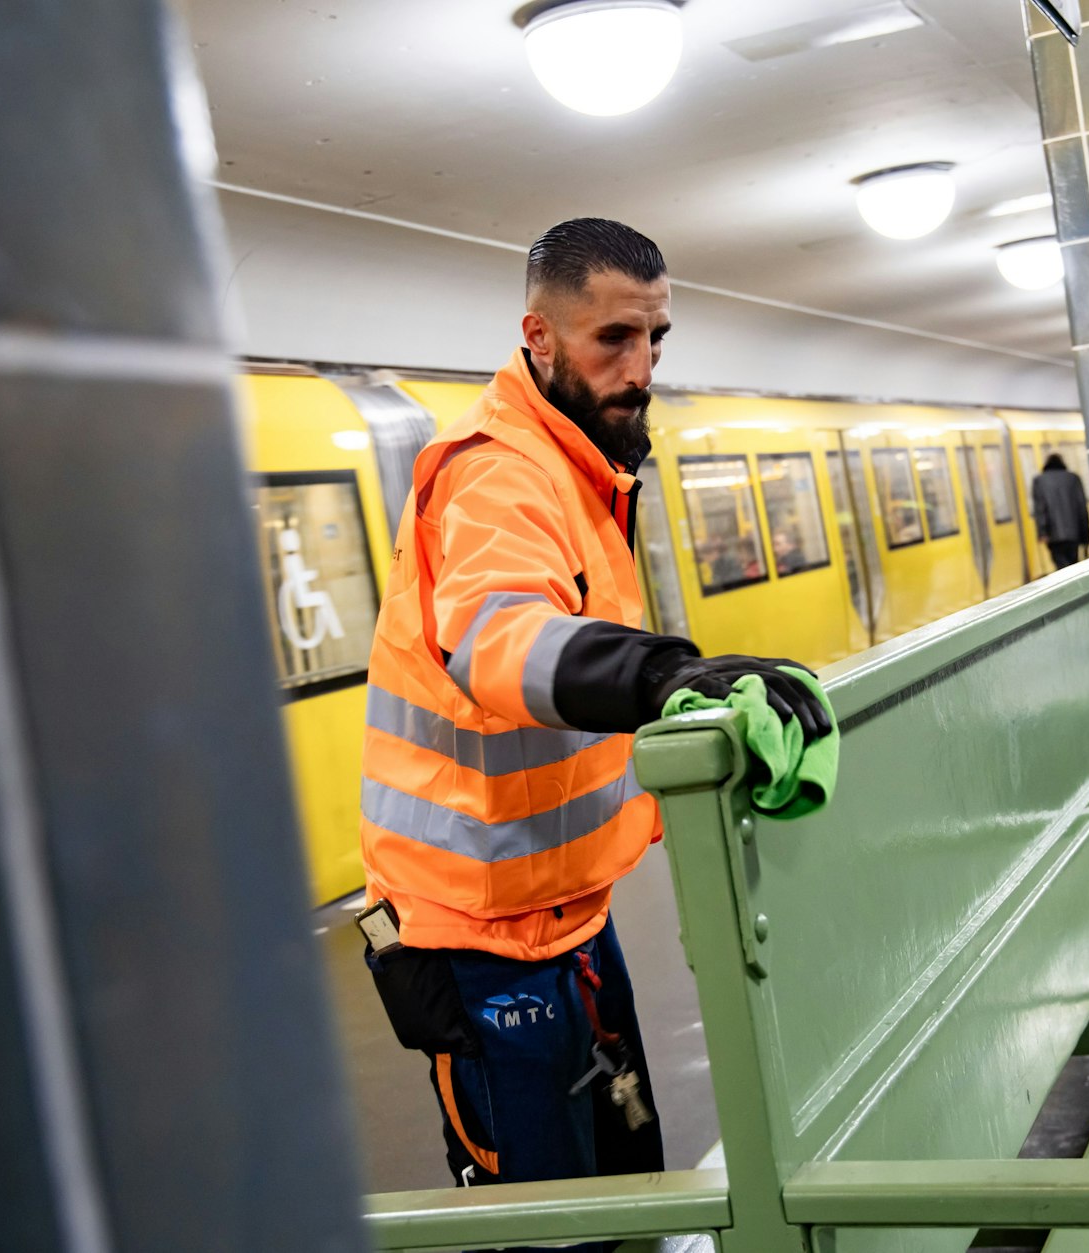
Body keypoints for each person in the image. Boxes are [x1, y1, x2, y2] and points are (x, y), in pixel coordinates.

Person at [357, 218, 830, 1244]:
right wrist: (665, 673)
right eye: (611, 338)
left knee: (627, 1182)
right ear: (538, 335)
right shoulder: (498, 472)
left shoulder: (582, 466)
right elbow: (499, 639)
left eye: (655, 338)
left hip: (562, 910)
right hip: (477, 935)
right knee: (551, 1221)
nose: (641, 366)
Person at [1030, 452, 1089, 571]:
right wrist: (1086, 536)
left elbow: (1040, 509)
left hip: (1053, 535)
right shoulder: (1073, 478)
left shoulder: (1039, 481)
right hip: (1074, 533)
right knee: (1074, 565)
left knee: (1061, 567)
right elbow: (1081, 507)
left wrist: (1042, 532)